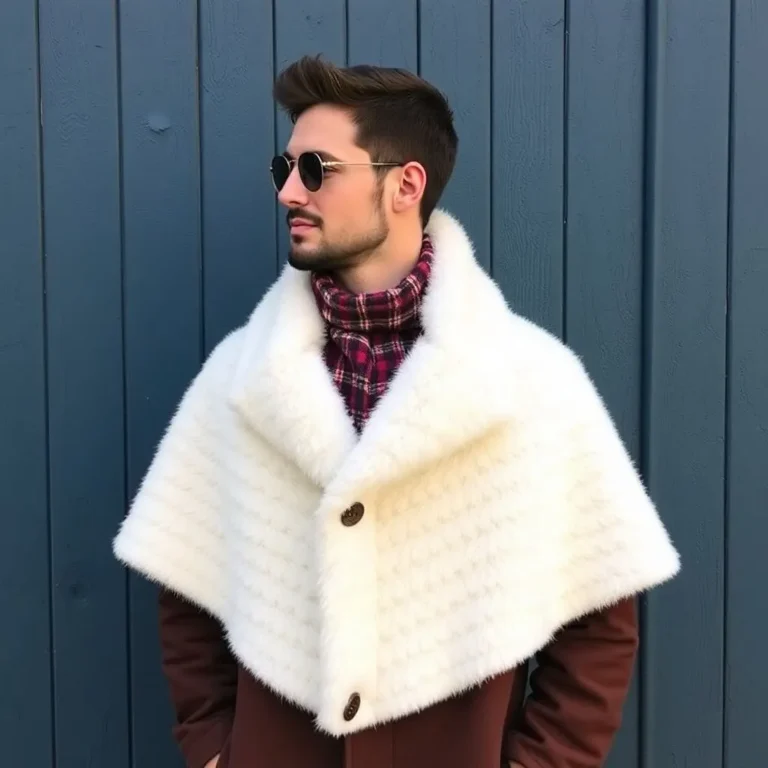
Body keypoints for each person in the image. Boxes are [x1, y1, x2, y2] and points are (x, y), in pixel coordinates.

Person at [113, 56, 680, 768]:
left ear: (405, 183)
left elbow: (599, 624)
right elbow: (186, 586)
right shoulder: (239, 378)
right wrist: (213, 750)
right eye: (282, 169)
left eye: (316, 169)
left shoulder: (529, 382)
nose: (289, 191)